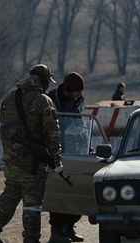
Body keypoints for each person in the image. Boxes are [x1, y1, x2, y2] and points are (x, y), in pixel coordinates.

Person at [0, 64, 63, 243]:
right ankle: (31, 239)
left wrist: (12, 152)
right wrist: (57, 161)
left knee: (10, 195)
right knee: (33, 204)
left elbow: (4, 126)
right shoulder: (43, 100)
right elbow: (52, 134)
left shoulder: (10, 97)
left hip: (11, 160)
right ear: (43, 81)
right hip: (32, 164)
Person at [47, 72, 85, 242]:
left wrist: (78, 130)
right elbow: (47, 124)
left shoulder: (79, 100)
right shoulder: (50, 99)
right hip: (56, 149)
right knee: (58, 191)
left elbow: (81, 120)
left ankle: (69, 227)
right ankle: (56, 231)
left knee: (78, 189)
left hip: (76, 149)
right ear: (69, 89)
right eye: (78, 91)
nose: (80, 94)